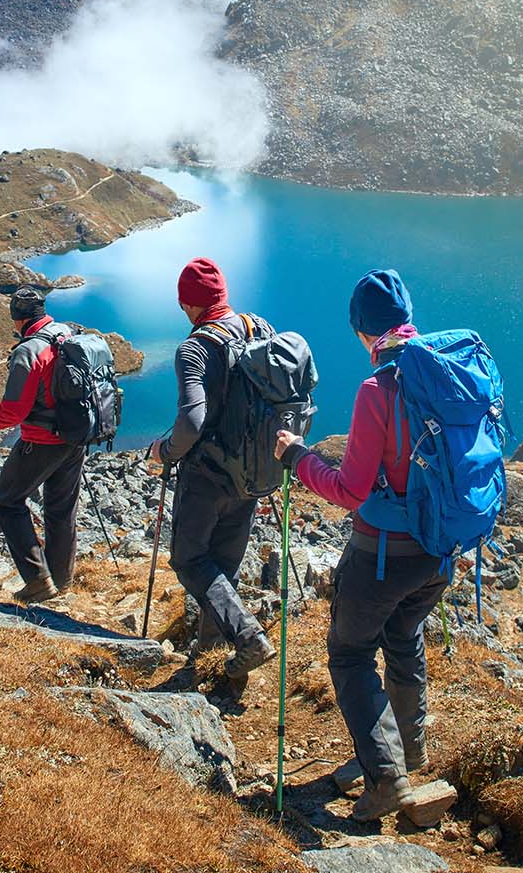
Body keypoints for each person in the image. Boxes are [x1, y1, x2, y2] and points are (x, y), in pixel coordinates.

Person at [274, 269, 450, 822]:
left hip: (385, 553)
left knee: (350, 653)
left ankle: (386, 779)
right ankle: (410, 747)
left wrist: (297, 458)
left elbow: (351, 490)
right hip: (441, 551)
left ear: (361, 331)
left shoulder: (380, 388)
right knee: (403, 634)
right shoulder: (448, 370)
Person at [146, 257, 276, 686]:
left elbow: (192, 423)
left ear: (189, 303)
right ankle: (213, 655)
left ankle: (247, 637)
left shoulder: (195, 347)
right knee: (223, 563)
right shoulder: (259, 328)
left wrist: (163, 452)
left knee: (189, 559)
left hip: (208, 476)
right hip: (254, 472)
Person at [0, 287, 83, 604]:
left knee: (7, 502)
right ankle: (60, 579)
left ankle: (39, 582)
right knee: (61, 509)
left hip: (41, 442)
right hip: (75, 437)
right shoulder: (65, 333)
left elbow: (12, 412)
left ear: (18, 319)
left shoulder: (29, 351)